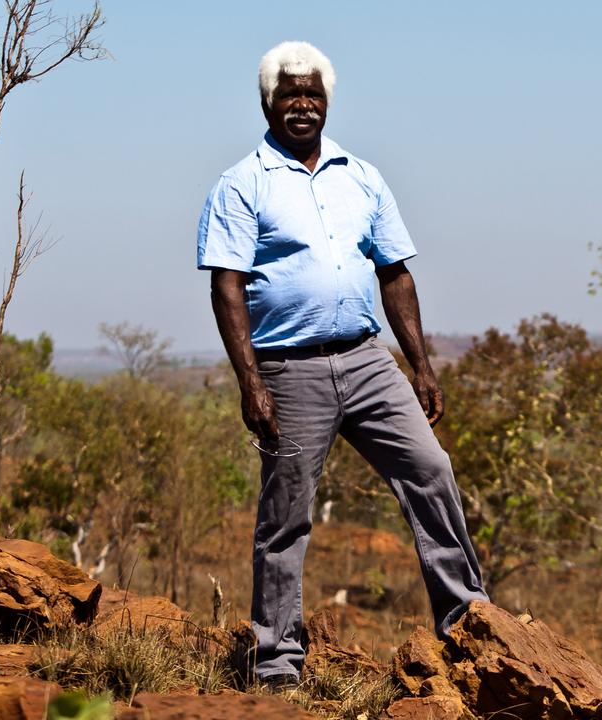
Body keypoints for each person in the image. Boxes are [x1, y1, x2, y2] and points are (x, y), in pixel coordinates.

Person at [196, 40, 489, 686]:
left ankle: (469, 621)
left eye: (312, 93)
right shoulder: (243, 184)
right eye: (289, 94)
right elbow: (226, 286)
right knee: (287, 514)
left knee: (431, 470)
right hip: (288, 370)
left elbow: (396, 274)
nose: (302, 104)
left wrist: (422, 364)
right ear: (267, 103)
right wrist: (251, 382)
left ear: (327, 102)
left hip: (366, 361)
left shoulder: (362, 175)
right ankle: (276, 661)